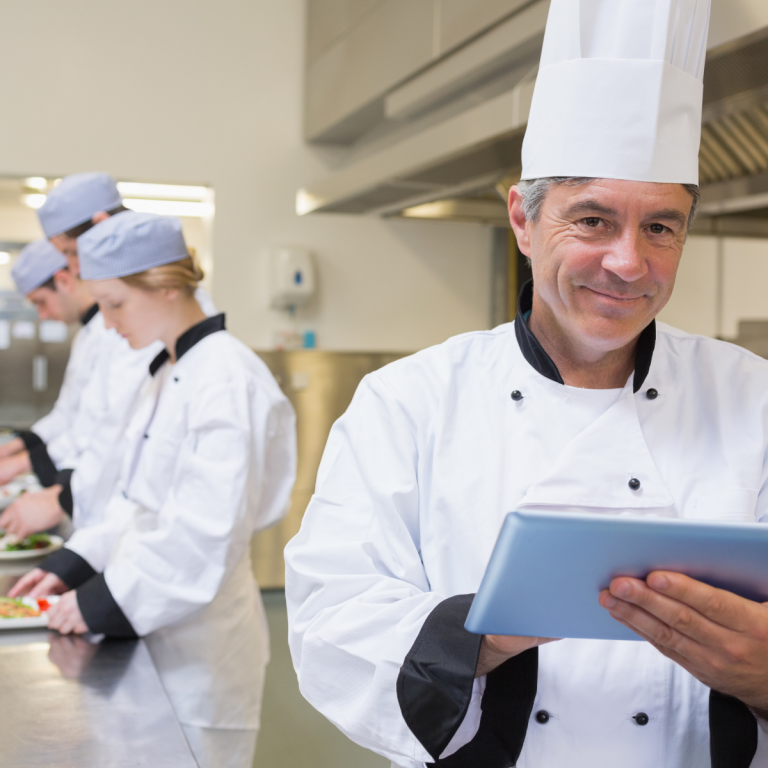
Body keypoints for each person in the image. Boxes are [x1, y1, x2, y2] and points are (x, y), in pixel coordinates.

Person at [284, 1, 768, 766]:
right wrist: (483, 628)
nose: (629, 263)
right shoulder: (409, 402)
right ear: (522, 218)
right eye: (594, 221)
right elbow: (329, 618)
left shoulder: (755, 398)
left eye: (661, 227)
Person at [11, 211, 297, 768]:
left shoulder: (226, 380)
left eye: (116, 305)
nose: (110, 325)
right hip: (152, 615)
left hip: (201, 655)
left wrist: (97, 601)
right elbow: (134, 501)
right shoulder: (167, 370)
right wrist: (72, 563)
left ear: (166, 287)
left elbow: (202, 535)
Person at [0, 173, 214, 539]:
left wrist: (61, 500)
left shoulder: (184, 343)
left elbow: (115, 432)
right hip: (120, 527)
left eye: (70, 253)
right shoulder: (124, 325)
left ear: (166, 288)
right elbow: (91, 422)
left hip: (151, 541)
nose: (75, 267)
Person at [0, 240, 100, 497]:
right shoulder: (85, 335)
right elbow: (66, 413)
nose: (42, 315)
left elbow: (97, 426)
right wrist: (15, 447)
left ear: (64, 280)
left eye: (41, 302)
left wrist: (24, 461)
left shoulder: (111, 334)